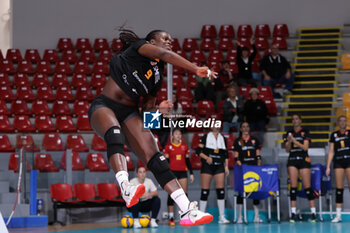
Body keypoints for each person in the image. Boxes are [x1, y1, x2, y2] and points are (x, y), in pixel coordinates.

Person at [88, 28, 217, 226]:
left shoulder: (157, 76)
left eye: (171, 40)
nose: (169, 42)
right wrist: (195, 68)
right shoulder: (139, 48)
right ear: (151, 41)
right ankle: (126, 187)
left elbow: (147, 115)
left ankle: (186, 210)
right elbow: (164, 54)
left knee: (155, 155)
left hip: (129, 114)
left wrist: (157, 110)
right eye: (165, 38)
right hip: (104, 106)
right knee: (115, 133)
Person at [283, 114, 316, 223]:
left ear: (300, 121)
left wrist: (294, 141)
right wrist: (289, 142)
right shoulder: (288, 132)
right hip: (292, 159)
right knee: (293, 187)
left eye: (297, 119)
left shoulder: (305, 131)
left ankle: (313, 213)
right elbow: (287, 150)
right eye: (293, 119)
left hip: (303, 159)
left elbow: (305, 147)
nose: (295, 121)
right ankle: (293, 214)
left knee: (307, 187)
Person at [196, 127, 230, 224]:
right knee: (205, 191)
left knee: (221, 191)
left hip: (219, 166)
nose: (216, 126)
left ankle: (222, 217)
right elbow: (198, 151)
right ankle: (201, 216)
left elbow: (225, 154)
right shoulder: (205, 137)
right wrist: (207, 158)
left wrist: (226, 166)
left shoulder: (222, 138)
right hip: (207, 166)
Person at [233, 122, 263, 223]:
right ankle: (240, 217)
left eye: (247, 126)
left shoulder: (255, 140)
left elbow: (258, 156)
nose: (245, 128)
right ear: (241, 129)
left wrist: (258, 165)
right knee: (241, 193)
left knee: (255, 192)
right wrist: (242, 167)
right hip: (243, 169)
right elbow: (236, 157)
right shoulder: (238, 141)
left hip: (254, 169)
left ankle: (256, 216)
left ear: (249, 128)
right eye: (243, 127)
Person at [163, 128, 194, 226]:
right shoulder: (168, 147)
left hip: (183, 173)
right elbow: (166, 163)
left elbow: (188, 161)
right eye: (176, 134)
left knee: (185, 195)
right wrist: (166, 174)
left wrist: (191, 173)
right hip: (172, 173)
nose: (178, 135)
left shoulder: (184, 147)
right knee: (172, 195)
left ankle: (186, 217)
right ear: (172, 136)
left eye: (180, 134)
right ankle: (171, 217)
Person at [326, 115, 350, 222]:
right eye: (340, 121)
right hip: (338, 162)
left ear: (346, 122)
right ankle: (338, 215)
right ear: (338, 123)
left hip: (349, 161)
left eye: (344, 121)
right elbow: (331, 151)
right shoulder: (334, 135)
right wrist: (327, 166)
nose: (342, 123)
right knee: (339, 189)